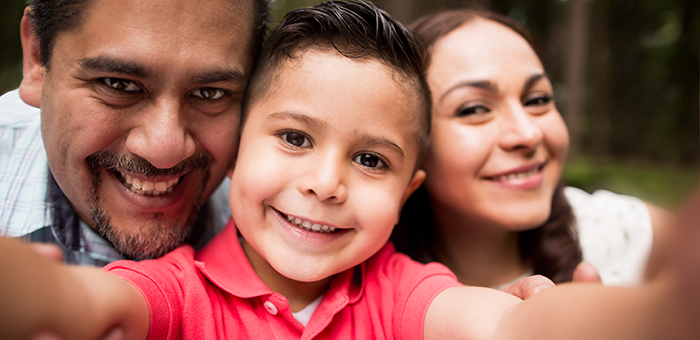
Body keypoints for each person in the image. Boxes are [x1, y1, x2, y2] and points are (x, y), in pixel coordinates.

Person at [3, 2, 700, 340]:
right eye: (296, 138)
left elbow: (516, 327)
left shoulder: (400, 294)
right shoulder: (180, 290)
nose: (327, 182)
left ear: (407, 192)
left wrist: (653, 314)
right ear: (237, 145)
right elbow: (83, 304)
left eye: (371, 160)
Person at [391, 9, 672, 287]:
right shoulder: (362, 288)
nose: (528, 133)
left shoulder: (629, 236)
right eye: (474, 108)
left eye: (537, 100)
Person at [0, 0, 269, 265]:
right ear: (37, 56)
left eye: (209, 93)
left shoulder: (286, 219)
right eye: (118, 85)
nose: (165, 151)